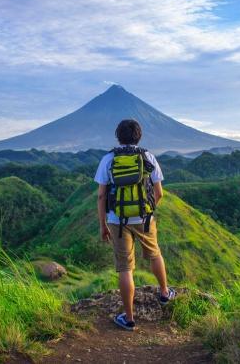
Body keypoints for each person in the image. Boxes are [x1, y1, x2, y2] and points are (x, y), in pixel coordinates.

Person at [94, 119, 175, 331]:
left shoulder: (108, 159)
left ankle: (129, 319)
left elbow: (102, 196)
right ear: (139, 136)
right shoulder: (148, 156)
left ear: (117, 136)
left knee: (125, 268)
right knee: (155, 254)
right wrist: (147, 210)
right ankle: (165, 293)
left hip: (117, 220)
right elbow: (159, 193)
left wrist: (103, 225)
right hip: (144, 218)